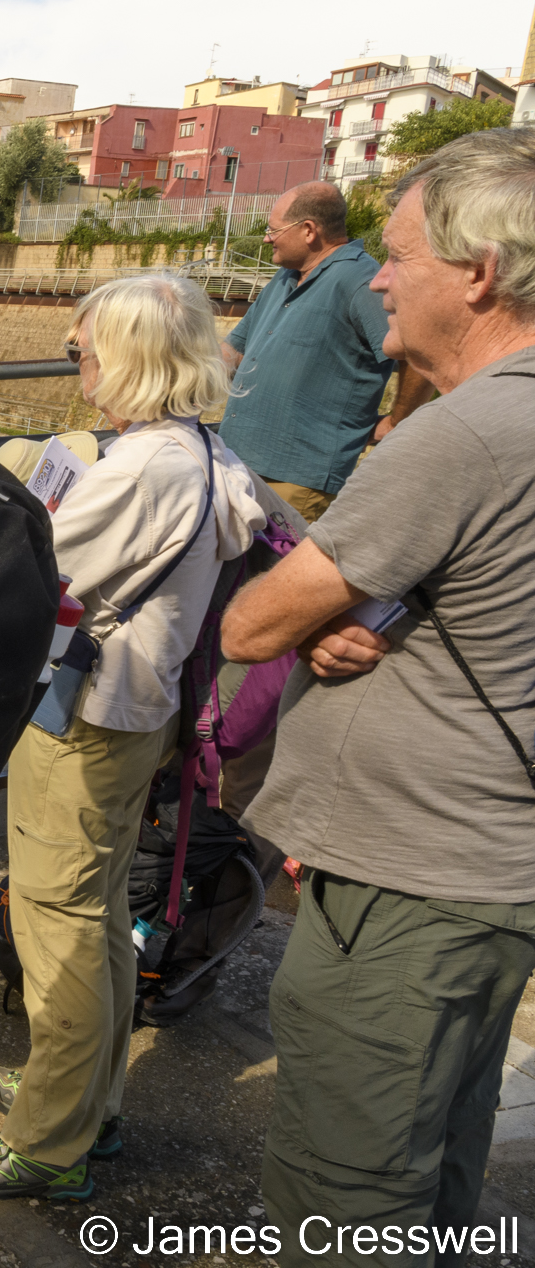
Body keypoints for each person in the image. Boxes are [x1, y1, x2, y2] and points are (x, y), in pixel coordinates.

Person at [222, 128, 535, 1263]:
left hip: (417, 879)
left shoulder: (462, 437)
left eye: (398, 254)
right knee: (436, 1147)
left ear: (479, 273)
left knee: (343, 1188)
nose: (381, 277)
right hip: (482, 870)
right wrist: (379, 616)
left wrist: (319, 617)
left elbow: (252, 620)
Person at [0, 275, 265, 1201]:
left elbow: (33, 576)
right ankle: (87, 1099)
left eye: (86, 348)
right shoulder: (199, 450)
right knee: (101, 908)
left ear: (129, 354)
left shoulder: (143, 468)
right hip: (138, 710)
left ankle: (48, 1140)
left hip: (86, 717)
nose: (77, 361)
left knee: (60, 920)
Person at [218, 180, 433, 522]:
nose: (266, 238)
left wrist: (397, 422)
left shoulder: (360, 282)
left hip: (296, 479)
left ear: (308, 231)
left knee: (270, 572)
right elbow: (234, 353)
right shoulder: (285, 277)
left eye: (273, 230)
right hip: (236, 462)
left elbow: (419, 355)